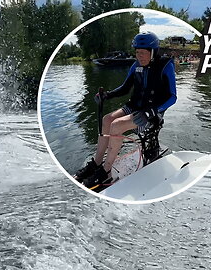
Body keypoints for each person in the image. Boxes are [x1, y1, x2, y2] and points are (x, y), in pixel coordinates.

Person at [74, 31, 177, 189]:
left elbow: (172, 97)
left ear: (153, 52)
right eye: (137, 52)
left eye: (143, 53)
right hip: (134, 107)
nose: (139, 56)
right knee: (107, 120)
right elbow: (124, 88)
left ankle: (106, 173)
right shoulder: (136, 66)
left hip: (150, 114)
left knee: (116, 125)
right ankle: (96, 163)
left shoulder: (165, 66)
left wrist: (150, 112)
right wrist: (107, 95)